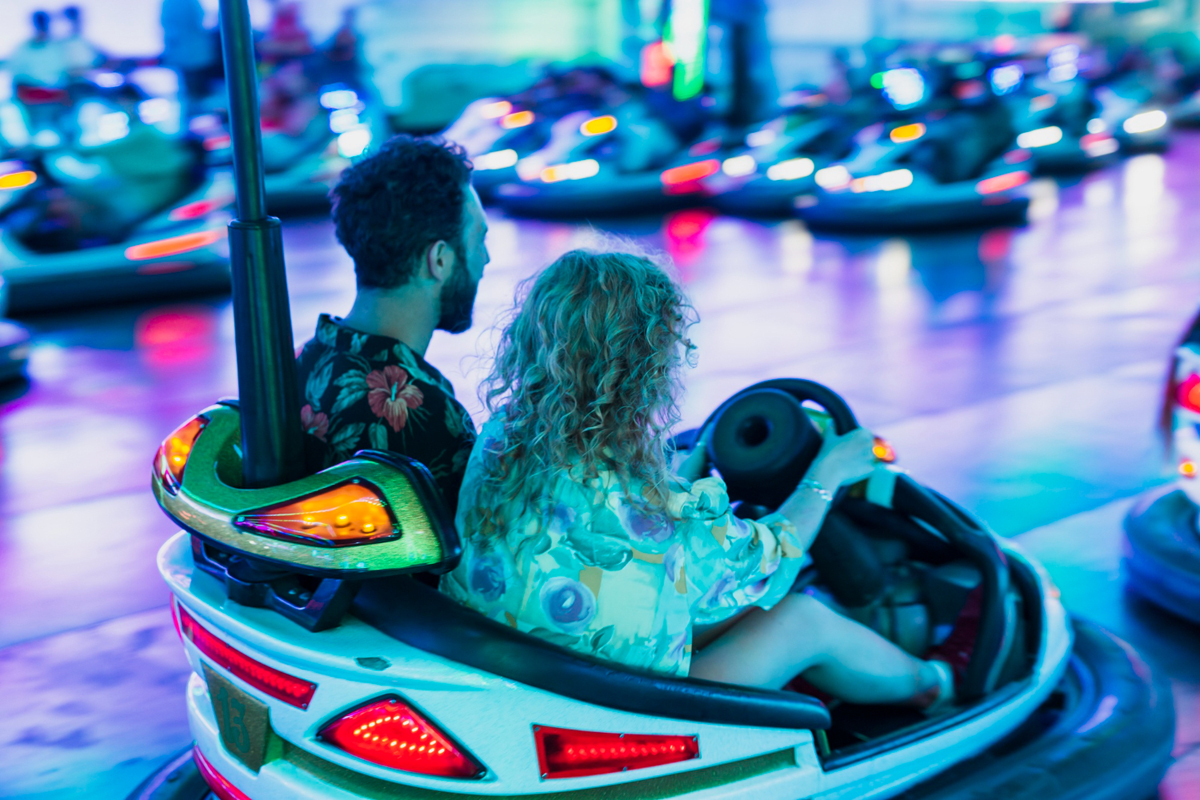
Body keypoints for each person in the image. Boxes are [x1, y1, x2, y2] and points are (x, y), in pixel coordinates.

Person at [441, 249, 954, 709]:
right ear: (644, 367)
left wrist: (690, 463)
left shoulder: (504, 437)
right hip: (627, 705)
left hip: (536, 662)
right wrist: (830, 472)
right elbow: (775, 553)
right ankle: (936, 684)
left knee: (738, 612)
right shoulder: (664, 513)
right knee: (803, 618)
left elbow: (624, 515)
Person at [295, 135, 489, 513]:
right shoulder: (425, 415)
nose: (486, 259)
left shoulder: (303, 360)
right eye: (479, 240)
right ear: (440, 260)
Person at [160, 0, 218, 120]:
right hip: (195, 53)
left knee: (194, 94)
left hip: (188, 54)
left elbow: (167, 24)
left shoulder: (170, 3)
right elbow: (199, 18)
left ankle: (197, 121)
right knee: (196, 94)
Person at [60, 6, 105, 81]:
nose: (73, 24)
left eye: (76, 20)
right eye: (71, 20)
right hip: (70, 81)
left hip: (90, 79)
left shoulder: (88, 41)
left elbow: (99, 61)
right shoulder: (60, 44)